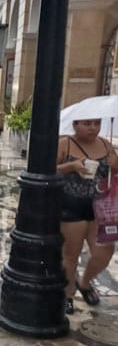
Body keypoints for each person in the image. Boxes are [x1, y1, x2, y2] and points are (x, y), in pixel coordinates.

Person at [57, 119, 118, 314]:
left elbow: (114, 172)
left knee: (104, 252)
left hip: (100, 208)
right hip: (71, 205)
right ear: (75, 125)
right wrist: (71, 166)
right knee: (71, 255)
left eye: (96, 123)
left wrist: (115, 163)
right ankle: (67, 294)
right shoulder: (65, 143)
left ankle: (84, 282)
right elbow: (46, 169)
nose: (93, 128)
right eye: (87, 123)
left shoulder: (106, 145)